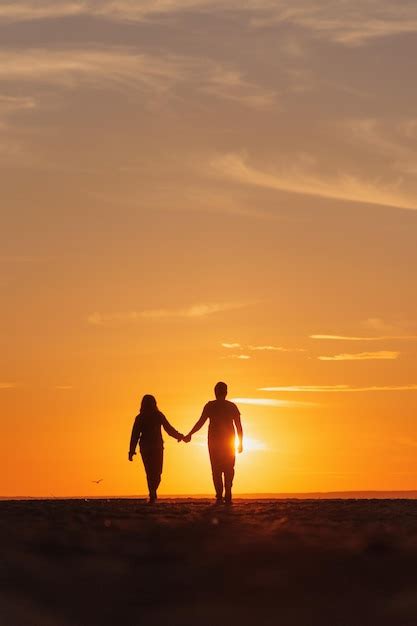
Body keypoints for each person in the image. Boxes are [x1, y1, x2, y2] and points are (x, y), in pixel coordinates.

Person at [183, 382, 243, 504]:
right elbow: (239, 426)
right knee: (229, 468)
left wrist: (190, 434)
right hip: (228, 442)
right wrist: (240, 442)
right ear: (226, 392)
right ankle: (227, 490)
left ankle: (220, 495)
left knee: (216, 469)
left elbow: (200, 422)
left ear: (215, 392)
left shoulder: (210, 406)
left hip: (215, 442)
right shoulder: (232, 406)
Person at [129, 395, 183, 503]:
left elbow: (168, 428)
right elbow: (135, 434)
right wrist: (131, 450)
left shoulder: (156, 416)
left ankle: (152, 491)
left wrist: (179, 436)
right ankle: (153, 493)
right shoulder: (142, 417)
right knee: (154, 473)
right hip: (150, 447)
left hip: (153, 447)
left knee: (154, 473)